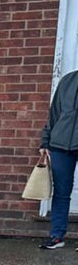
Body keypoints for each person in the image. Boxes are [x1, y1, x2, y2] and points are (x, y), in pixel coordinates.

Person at [39, 68, 78, 248]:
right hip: (60, 145)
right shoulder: (68, 80)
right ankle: (57, 236)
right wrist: (45, 142)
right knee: (61, 193)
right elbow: (54, 113)